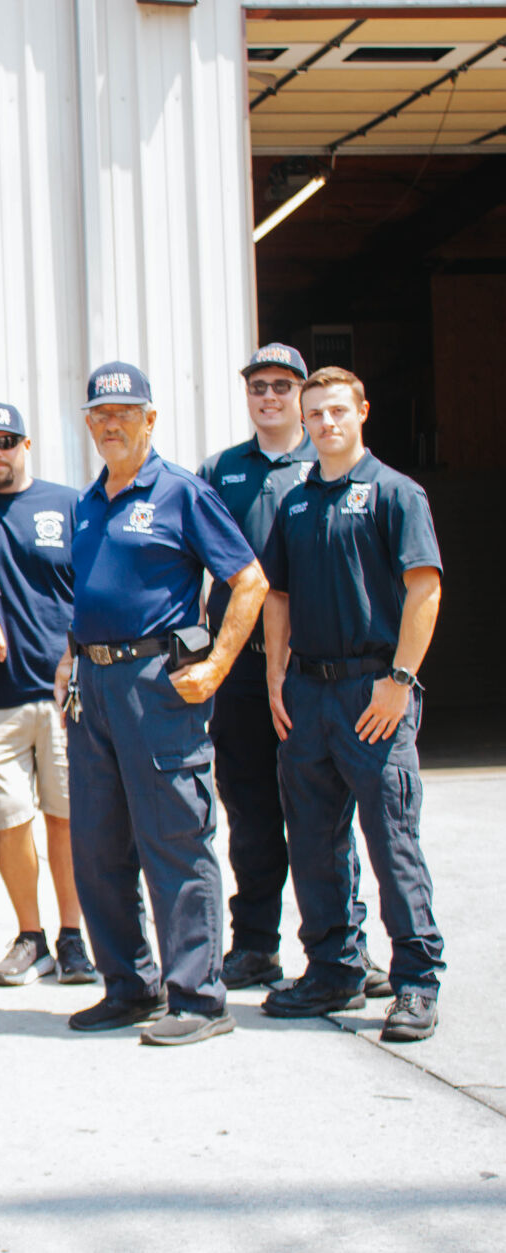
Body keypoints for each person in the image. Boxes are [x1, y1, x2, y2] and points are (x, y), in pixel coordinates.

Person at [52, 361, 266, 1047]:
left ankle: (199, 998)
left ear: (150, 419)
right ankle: (129, 985)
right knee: (97, 844)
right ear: (89, 424)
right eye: (100, 414)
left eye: (126, 412)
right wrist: (70, 664)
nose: (112, 423)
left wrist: (218, 665)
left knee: (174, 837)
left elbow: (250, 580)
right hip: (94, 690)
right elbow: (85, 596)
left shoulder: (182, 493)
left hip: (157, 687)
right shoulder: (86, 502)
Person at [199, 346, 391, 1001]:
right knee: (249, 811)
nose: (271, 397)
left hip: (313, 673)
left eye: (284, 386)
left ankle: (345, 949)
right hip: (242, 674)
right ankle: (254, 943)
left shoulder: (327, 464)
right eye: (260, 386)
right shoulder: (220, 470)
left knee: (325, 816)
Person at [259, 367, 444, 1042]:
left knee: (391, 839)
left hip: (374, 692)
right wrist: (278, 676)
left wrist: (399, 679)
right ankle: (334, 967)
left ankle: (417, 979)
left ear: (362, 411)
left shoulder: (396, 493)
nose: (326, 422)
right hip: (308, 693)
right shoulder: (296, 502)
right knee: (312, 840)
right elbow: (277, 596)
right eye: (316, 413)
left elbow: (423, 589)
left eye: (338, 409)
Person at [0, 403, 93, 987]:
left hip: (64, 694)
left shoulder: (70, 504)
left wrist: (79, 651)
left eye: (6, 441)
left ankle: (74, 937)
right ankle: (30, 936)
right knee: (9, 821)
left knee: (66, 819)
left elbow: (96, 584)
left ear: (25, 445)